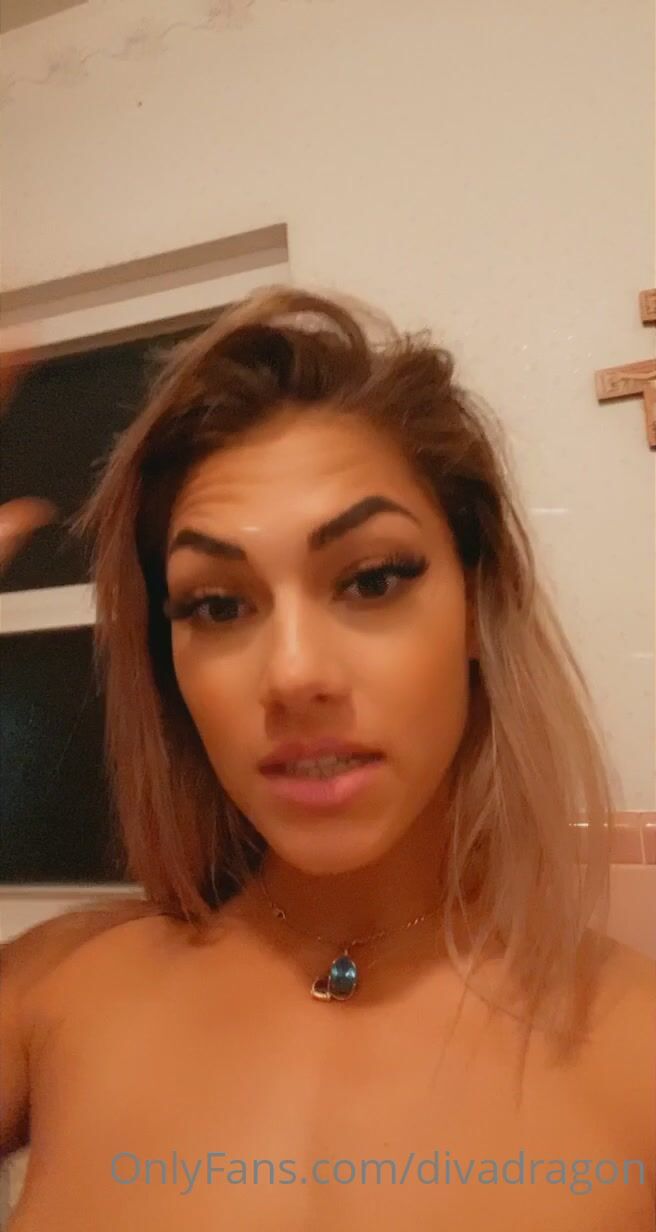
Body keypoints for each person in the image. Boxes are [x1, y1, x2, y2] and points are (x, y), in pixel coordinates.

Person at [0, 286, 654, 1231]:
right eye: (218, 605)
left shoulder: (637, 1050)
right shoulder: (54, 992)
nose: (294, 675)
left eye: (371, 579)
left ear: (478, 606)